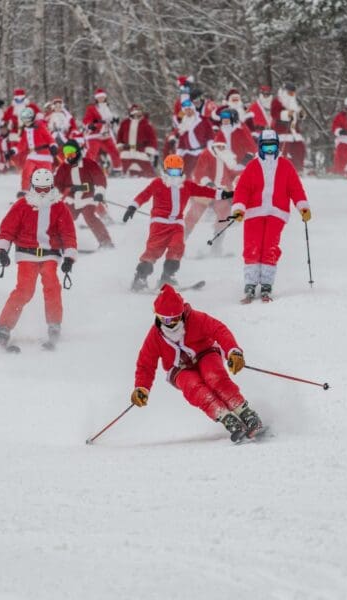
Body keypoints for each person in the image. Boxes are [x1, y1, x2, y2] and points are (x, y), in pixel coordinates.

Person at [130, 284, 263, 442]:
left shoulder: (196, 319)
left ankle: (245, 412)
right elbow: (146, 363)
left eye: (176, 318)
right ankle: (227, 418)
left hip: (205, 353)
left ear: (182, 313)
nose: (171, 324)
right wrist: (142, 387)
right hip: (179, 368)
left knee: (213, 376)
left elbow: (219, 330)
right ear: (157, 316)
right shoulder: (155, 336)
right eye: (165, 319)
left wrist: (233, 351)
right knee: (194, 387)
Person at [0, 168, 77, 350]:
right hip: (26, 254)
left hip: (50, 254)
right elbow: (7, 228)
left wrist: (69, 257)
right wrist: (3, 250)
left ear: (51, 187)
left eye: (45, 189)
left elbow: (68, 233)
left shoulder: (59, 207)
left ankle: (54, 325)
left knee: (52, 286)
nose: (42, 193)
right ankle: (5, 326)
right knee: (24, 289)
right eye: (38, 189)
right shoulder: (22, 205)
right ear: (32, 187)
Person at [125, 154, 226, 291]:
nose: (174, 175)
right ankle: (140, 278)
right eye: (171, 171)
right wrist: (133, 207)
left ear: (182, 170)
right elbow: (144, 195)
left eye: (177, 171)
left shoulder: (187, 185)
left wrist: (223, 194)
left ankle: (167, 277)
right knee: (154, 250)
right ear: (166, 170)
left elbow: (204, 191)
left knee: (177, 247)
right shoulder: (158, 183)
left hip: (177, 224)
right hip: (159, 223)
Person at [231, 129, 311, 302]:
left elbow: (295, 188)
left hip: (277, 213)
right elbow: (242, 189)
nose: (269, 151)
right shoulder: (252, 166)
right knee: (252, 246)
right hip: (253, 213)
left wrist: (302, 206)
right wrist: (239, 208)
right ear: (260, 147)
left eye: (272, 148)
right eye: (266, 148)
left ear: (277, 147)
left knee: (270, 247)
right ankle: (251, 283)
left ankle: (267, 283)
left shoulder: (285, 166)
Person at [54, 139, 113, 249]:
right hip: (71, 199)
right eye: (66, 152)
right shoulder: (63, 167)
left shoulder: (88, 163)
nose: (69, 155)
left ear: (77, 151)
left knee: (89, 216)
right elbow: (58, 184)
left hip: (87, 197)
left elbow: (100, 179)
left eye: (71, 151)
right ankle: (61, 243)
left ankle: (106, 242)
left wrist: (100, 192)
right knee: (65, 219)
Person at [185, 136, 238, 251]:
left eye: (223, 146)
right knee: (194, 214)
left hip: (222, 192)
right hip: (205, 191)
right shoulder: (206, 155)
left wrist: (241, 172)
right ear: (214, 146)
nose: (221, 148)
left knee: (224, 215)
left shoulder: (227, 157)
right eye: (218, 146)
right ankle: (180, 240)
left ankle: (217, 245)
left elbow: (232, 173)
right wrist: (208, 182)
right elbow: (199, 172)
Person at [10, 106, 59, 191]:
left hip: (44, 155)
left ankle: (48, 193)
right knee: (26, 172)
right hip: (32, 155)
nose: (26, 122)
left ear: (32, 118)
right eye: (24, 119)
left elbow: (49, 137)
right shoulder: (26, 130)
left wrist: (53, 145)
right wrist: (13, 151)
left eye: (27, 119)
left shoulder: (40, 126)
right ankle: (24, 191)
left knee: (45, 176)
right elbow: (22, 144)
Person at [83, 88, 122, 174]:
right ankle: (86, 170)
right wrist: (90, 125)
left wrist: (114, 120)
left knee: (114, 151)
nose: (101, 99)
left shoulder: (108, 107)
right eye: (99, 97)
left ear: (105, 97)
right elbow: (86, 119)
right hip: (95, 134)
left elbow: (110, 119)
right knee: (92, 153)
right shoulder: (92, 108)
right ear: (96, 98)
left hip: (106, 134)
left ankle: (117, 170)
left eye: (103, 97)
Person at [270, 83, 306, 172]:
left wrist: (301, 114)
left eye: (293, 93)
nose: (292, 95)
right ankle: (281, 170)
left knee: (300, 149)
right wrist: (286, 114)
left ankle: (298, 169)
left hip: (294, 131)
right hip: (281, 130)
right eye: (290, 93)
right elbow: (274, 113)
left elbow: (297, 113)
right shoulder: (277, 101)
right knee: (283, 151)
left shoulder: (293, 102)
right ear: (285, 92)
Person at [116, 104, 159, 177]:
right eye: (134, 111)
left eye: (138, 111)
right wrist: (120, 146)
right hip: (127, 152)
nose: (136, 113)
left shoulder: (146, 124)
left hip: (141, 152)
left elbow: (152, 139)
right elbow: (119, 136)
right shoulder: (125, 123)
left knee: (150, 174)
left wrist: (149, 151)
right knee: (121, 171)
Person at [175, 99, 214, 178]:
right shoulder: (183, 124)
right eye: (186, 110)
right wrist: (178, 155)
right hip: (189, 154)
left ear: (193, 109)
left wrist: (210, 150)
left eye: (189, 109)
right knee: (186, 176)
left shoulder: (203, 120)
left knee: (202, 175)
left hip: (202, 152)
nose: (188, 111)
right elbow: (181, 143)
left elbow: (210, 135)